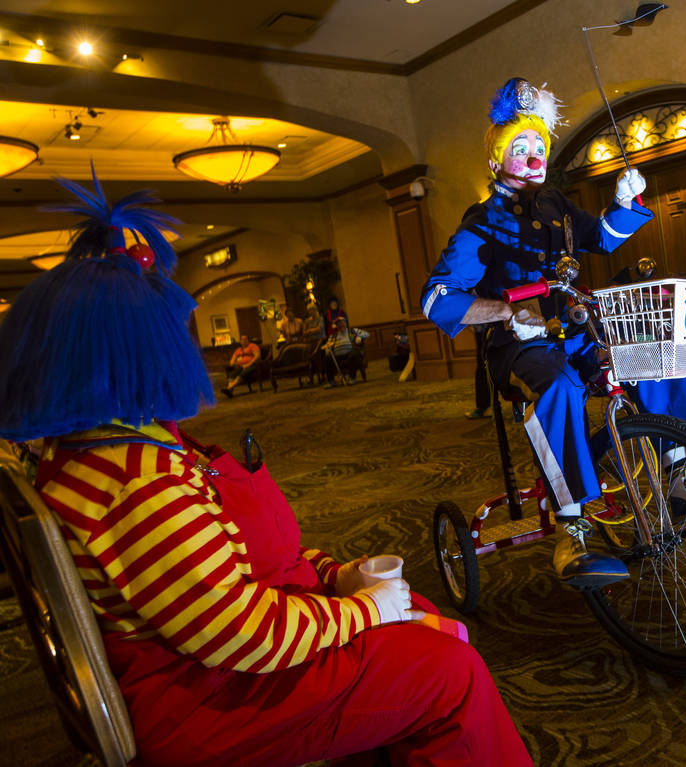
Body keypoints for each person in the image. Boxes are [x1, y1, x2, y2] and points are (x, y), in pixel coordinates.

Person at [0, 174, 533, 767]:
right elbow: (235, 631)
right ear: (127, 353)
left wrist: (336, 576)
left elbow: (224, 570)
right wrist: (363, 610)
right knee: (445, 670)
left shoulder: (102, 446)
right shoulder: (133, 479)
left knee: (422, 627)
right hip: (210, 699)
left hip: (212, 668)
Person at [421, 78, 686, 587]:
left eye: (539, 145)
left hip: (575, 328)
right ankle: (572, 529)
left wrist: (624, 202)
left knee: (644, 349)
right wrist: (503, 310)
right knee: (559, 387)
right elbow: (436, 298)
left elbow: (603, 239)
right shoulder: (480, 222)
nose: (534, 154)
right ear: (497, 161)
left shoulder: (556, 206)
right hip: (519, 349)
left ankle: (682, 480)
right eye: (520, 148)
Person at [324, 317, 367, 387]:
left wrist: (359, 337)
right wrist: (327, 348)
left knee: (353, 355)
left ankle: (352, 378)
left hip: (350, 353)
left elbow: (366, 334)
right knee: (327, 358)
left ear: (345, 323)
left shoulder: (352, 331)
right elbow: (328, 344)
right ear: (336, 326)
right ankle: (331, 381)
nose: (341, 325)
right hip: (337, 356)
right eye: (338, 324)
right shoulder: (334, 335)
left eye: (342, 323)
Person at [222, 333, 261, 397]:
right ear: (240, 341)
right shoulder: (238, 350)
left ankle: (228, 388)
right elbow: (232, 360)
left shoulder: (253, 346)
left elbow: (257, 356)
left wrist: (248, 364)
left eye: (245, 339)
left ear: (249, 340)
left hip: (251, 365)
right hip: (240, 366)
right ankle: (229, 391)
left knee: (242, 373)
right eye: (242, 339)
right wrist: (234, 364)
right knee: (232, 374)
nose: (244, 341)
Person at [465, 324, 492, 420]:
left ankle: (483, 407)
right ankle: (484, 406)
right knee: (484, 367)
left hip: (486, 327)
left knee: (483, 368)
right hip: (488, 327)